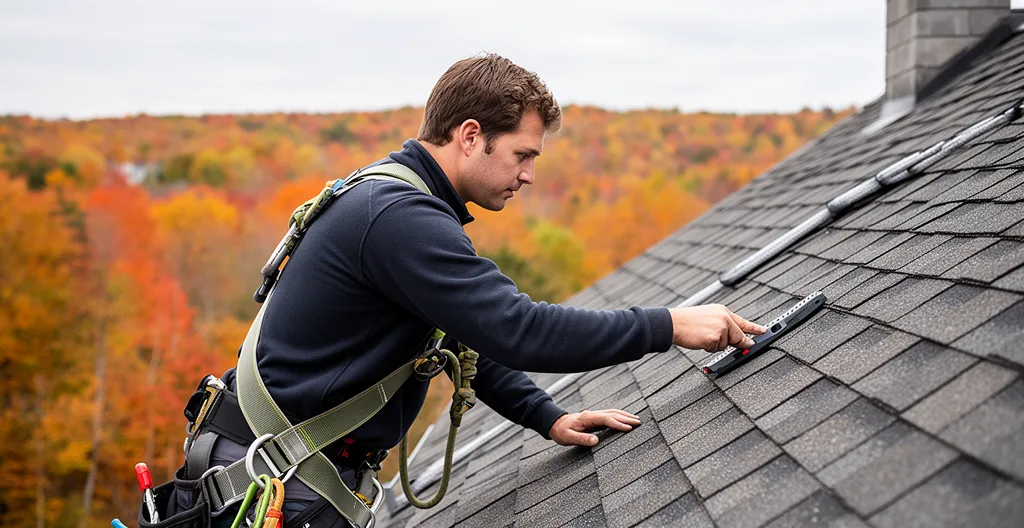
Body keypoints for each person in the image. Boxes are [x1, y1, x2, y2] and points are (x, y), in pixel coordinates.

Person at [193, 53, 764, 527]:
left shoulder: (396, 202)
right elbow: (519, 330)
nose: (529, 176)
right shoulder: (400, 218)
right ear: (471, 137)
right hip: (278, 482)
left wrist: (544, 415)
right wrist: (669, 325)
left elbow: (462, 339)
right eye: (523, 154)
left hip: (288, 473)